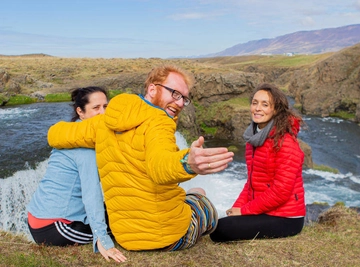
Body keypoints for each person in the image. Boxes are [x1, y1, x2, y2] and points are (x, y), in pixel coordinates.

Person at [47, 65, 234, 251]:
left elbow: (55, 134)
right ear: (152, 89)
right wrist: (187, 163)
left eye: (184, 99)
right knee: (201, 196)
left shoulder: (102, 123)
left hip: (126, 239)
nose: (179, 103)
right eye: (175, 94)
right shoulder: (159, 121)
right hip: (168, 237)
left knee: (188, 195)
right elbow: (159, 167)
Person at [27, 87, 127, 263]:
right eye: (96, 108)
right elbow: (91, 194)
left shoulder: (73, 134)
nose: (103, 113)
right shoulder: (84, 147)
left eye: (106, 107)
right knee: (124, 225)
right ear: (80, 112)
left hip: (42, 218)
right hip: (55, 227)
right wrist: (102, 239)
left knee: (121, 210)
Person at [210, 83, 306, 242]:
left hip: (287, 217)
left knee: (221, 229)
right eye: (254, 103)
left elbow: (281, 191)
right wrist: (238, 207)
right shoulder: (253, 140)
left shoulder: (285, 142)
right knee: (220, 222)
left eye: (265, 104)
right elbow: (252, 183)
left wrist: (245, 211)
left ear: (275, 110)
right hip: (265, 210)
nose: (257, 108)